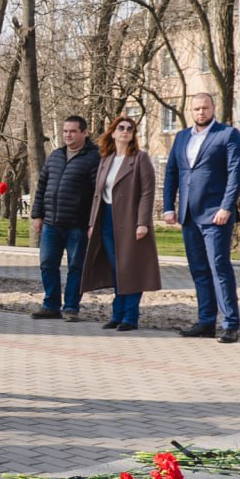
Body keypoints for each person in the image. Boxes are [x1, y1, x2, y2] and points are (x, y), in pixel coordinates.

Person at [162, 93, 240, 342]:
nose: (201, 112)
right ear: (191, 110)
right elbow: (172, 173)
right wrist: (169, 206)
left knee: (219, 267)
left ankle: (230, 323)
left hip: (216, 215)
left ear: (213, 108)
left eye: (205, 108)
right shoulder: (182, 137)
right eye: (197, 108)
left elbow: (236, 173)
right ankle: (206, 321)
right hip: (189, 215)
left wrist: (226, 207)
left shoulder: (227, 135)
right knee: (198, 269)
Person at [81, 114, 161, 329]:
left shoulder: (140, 158)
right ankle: (117, 314)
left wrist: (143, 222)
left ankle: (130, 317)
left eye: (130, 128)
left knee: (130, 267)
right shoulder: (106, 158)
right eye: (121, 128)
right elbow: (97, 194)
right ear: (113, 132)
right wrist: (92, 224)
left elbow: (147, 192)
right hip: (106, 218)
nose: (125, 131)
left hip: (130, 220)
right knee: (116, 267)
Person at [30, 115, 100, 322]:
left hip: (77, 225)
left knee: (76, 268)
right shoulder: (56, 156)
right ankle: (50, 305)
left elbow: (97, 193)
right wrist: (37, 214)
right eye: (65, 131)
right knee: (47, 264)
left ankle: (71, 307)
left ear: (84, 133)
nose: (68, 135)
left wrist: (92, 222)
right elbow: (42, 186)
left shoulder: (93, 157)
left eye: (73, 131)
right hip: (51, 223)